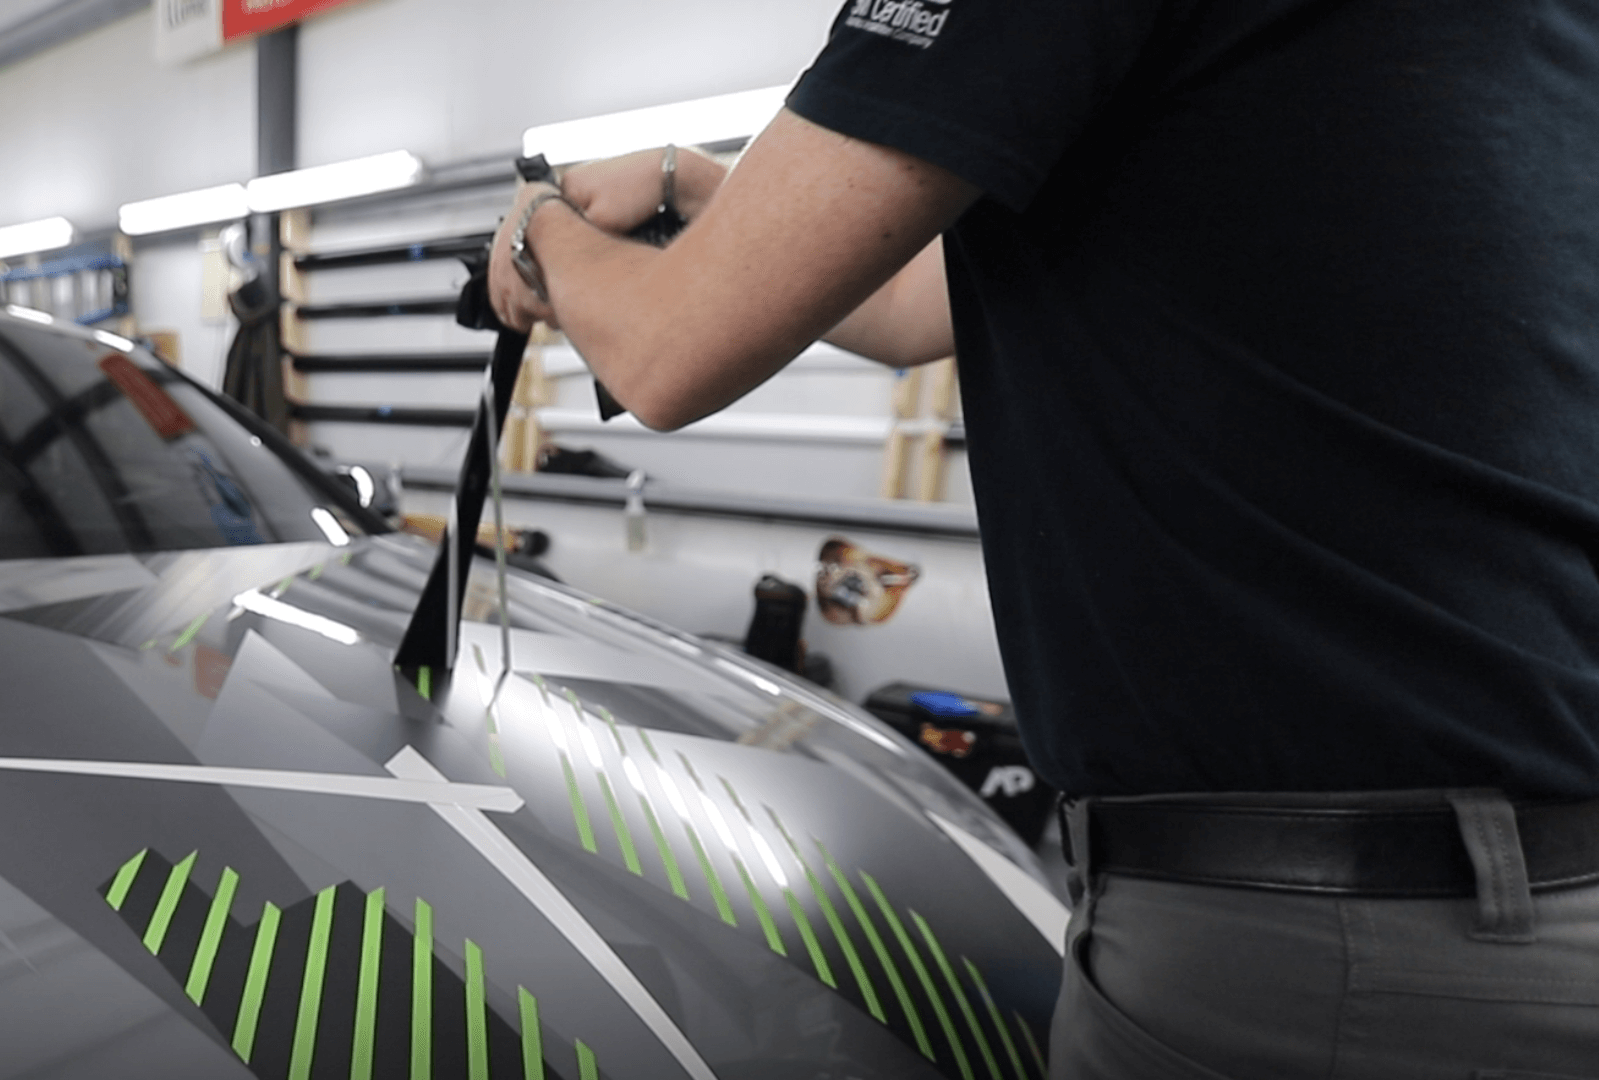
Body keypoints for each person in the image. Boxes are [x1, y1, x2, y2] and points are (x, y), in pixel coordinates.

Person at [488, 2, 1599, 1077]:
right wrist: (693, 180)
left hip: (1320, 958)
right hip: (1539, 904)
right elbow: (920, 297)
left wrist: (540, 228)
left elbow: (668, 350)